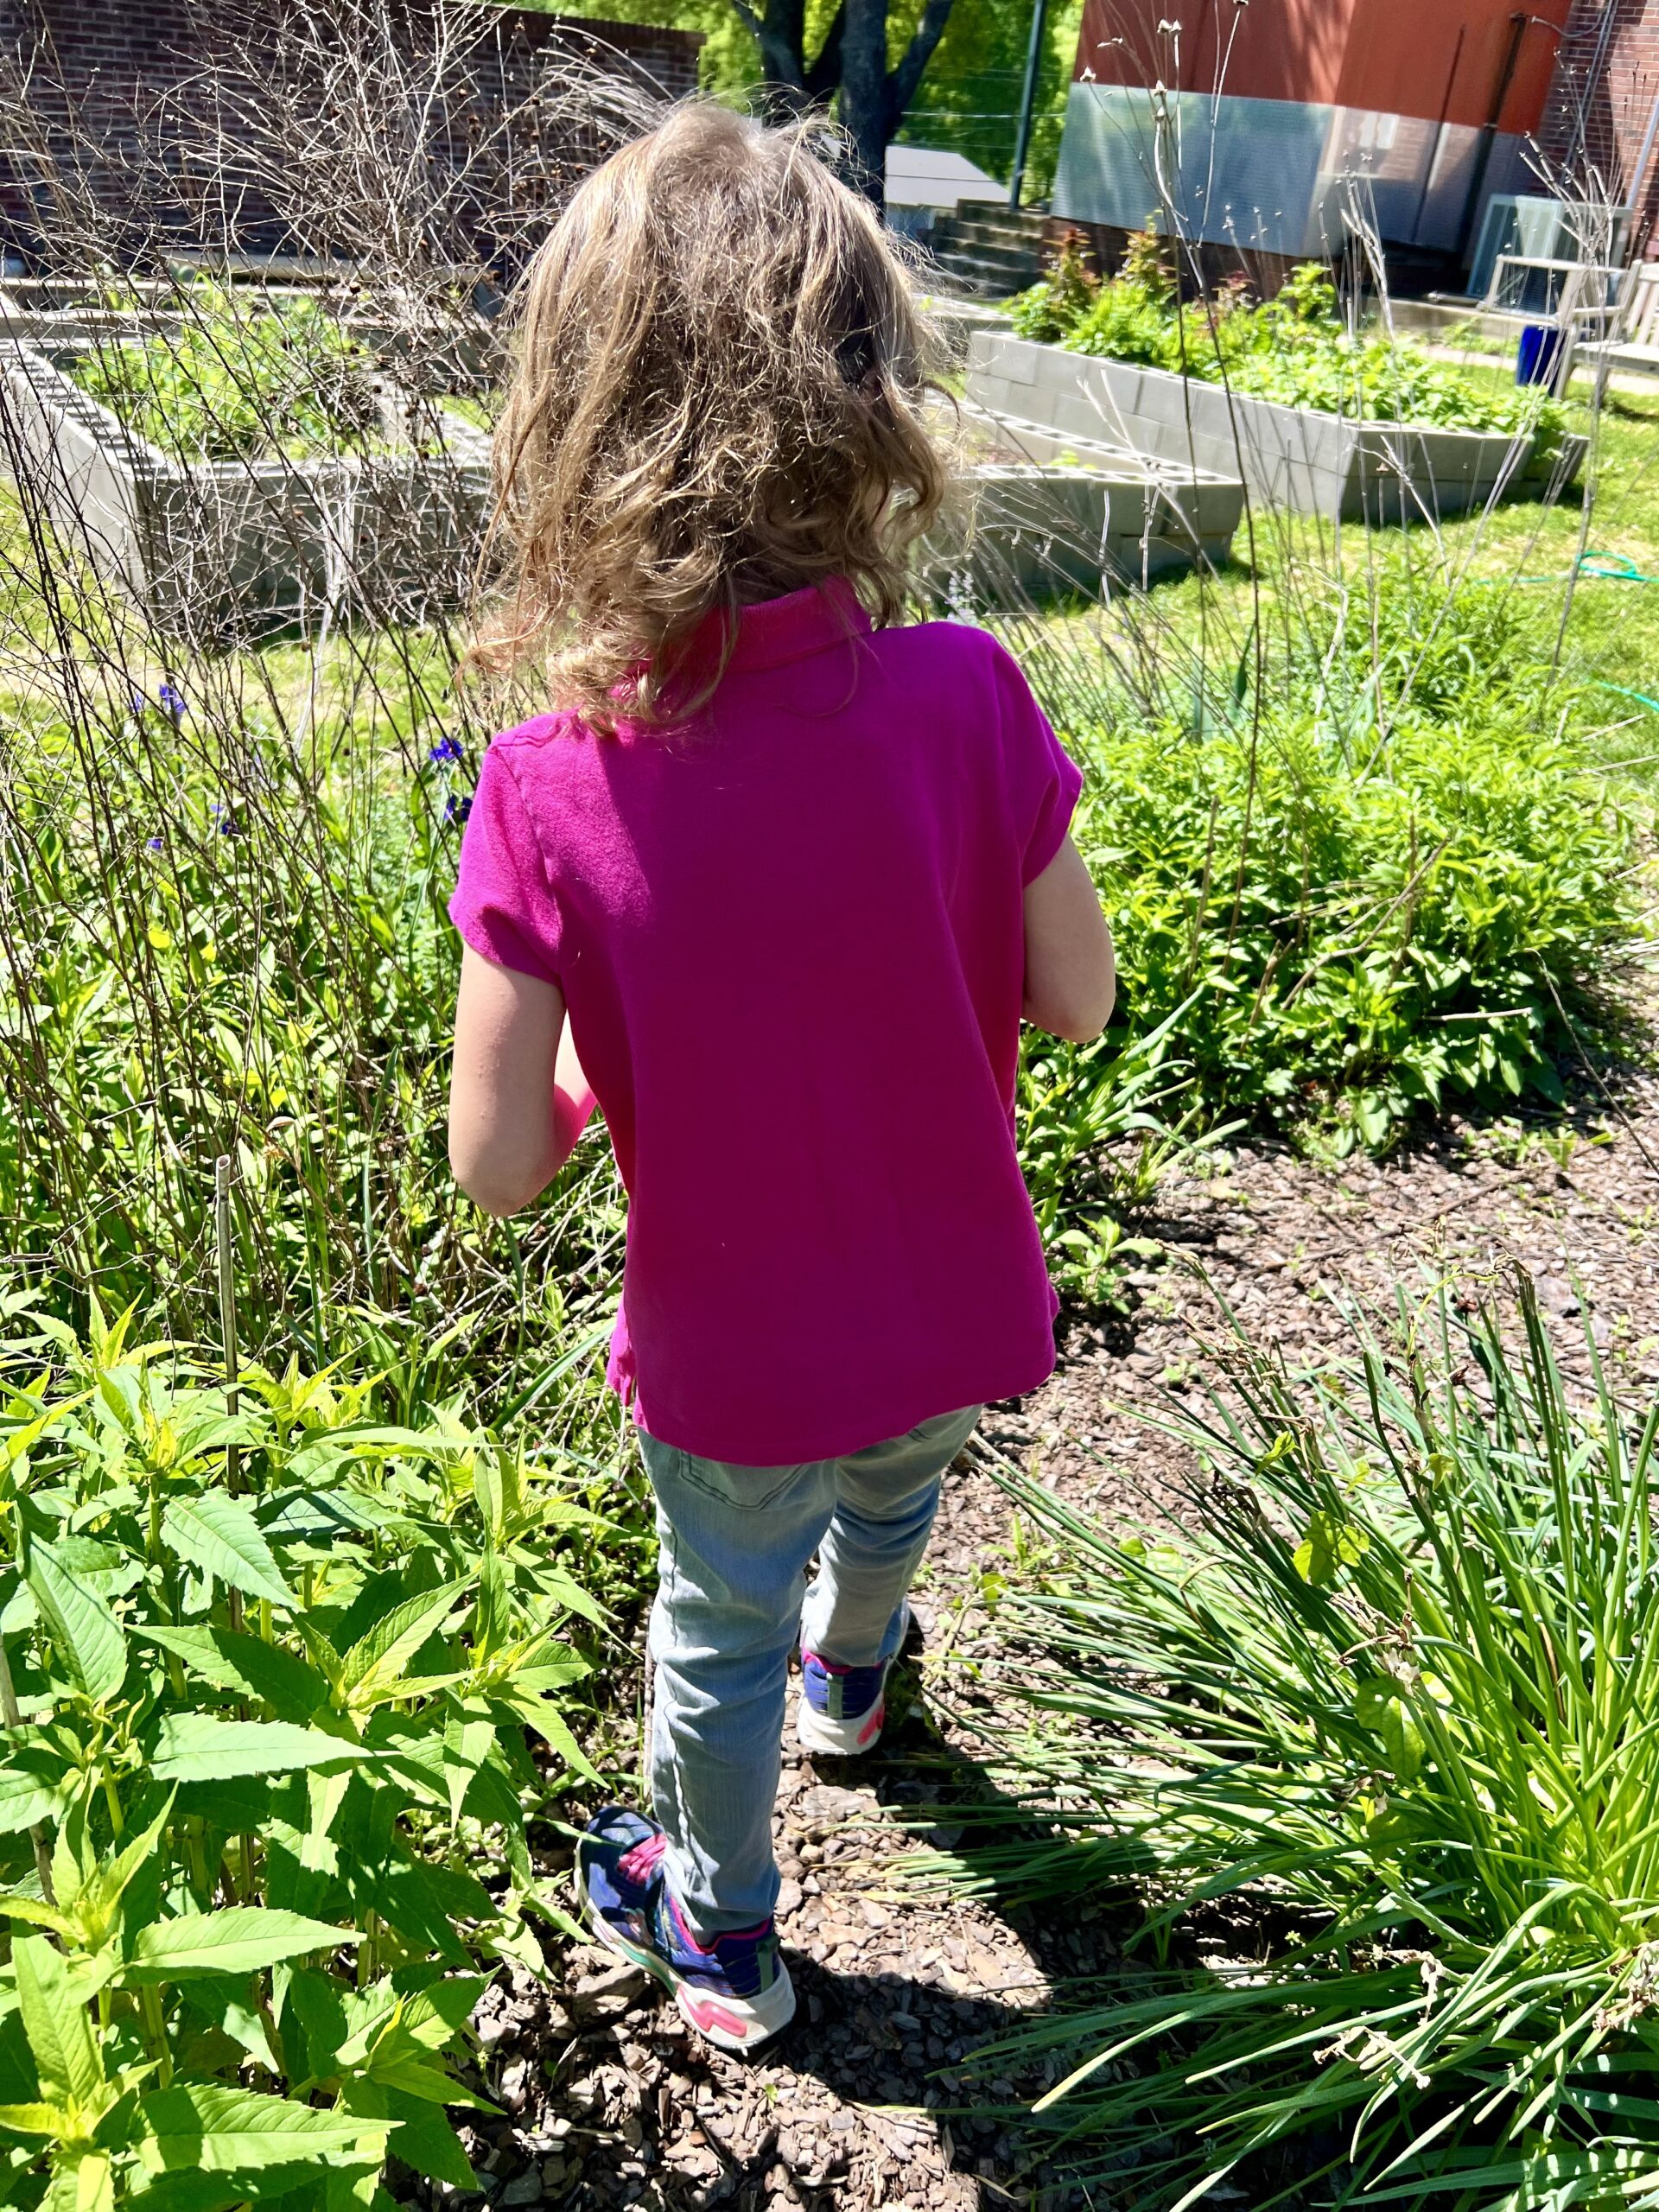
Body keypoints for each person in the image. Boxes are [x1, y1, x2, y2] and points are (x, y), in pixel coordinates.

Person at [447, 103, 1116, 2053]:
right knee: (890, 1503)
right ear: (868, 399)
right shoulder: (971, 693)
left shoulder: (550, 786)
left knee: (706, 1628)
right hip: (951, 1304)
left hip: (735, 1350)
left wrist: (599, 1092)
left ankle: (724, 1929)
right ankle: (865, 1681)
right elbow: (1074, 995)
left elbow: (497, 1160)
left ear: (579, 421)